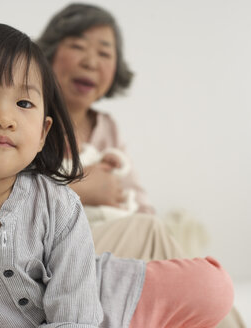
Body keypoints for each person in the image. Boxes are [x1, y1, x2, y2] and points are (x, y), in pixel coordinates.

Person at [0, 22, 233, 328]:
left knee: (213, 287)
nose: (5, 117)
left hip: (103, 303)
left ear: (42, 133)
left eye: (24, 104)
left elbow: (75, 317)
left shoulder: (58, 203)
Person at [36, 3, 244, 327]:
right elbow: (8, 194)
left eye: (105, 53)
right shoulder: (29, 115)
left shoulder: (108, 127)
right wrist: (82, 187)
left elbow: (139, 201)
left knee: (158, 238)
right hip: (54, 252)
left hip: (109, 248)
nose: (90, 61)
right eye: (77, 46)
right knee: (152, 234)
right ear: (48, 54)